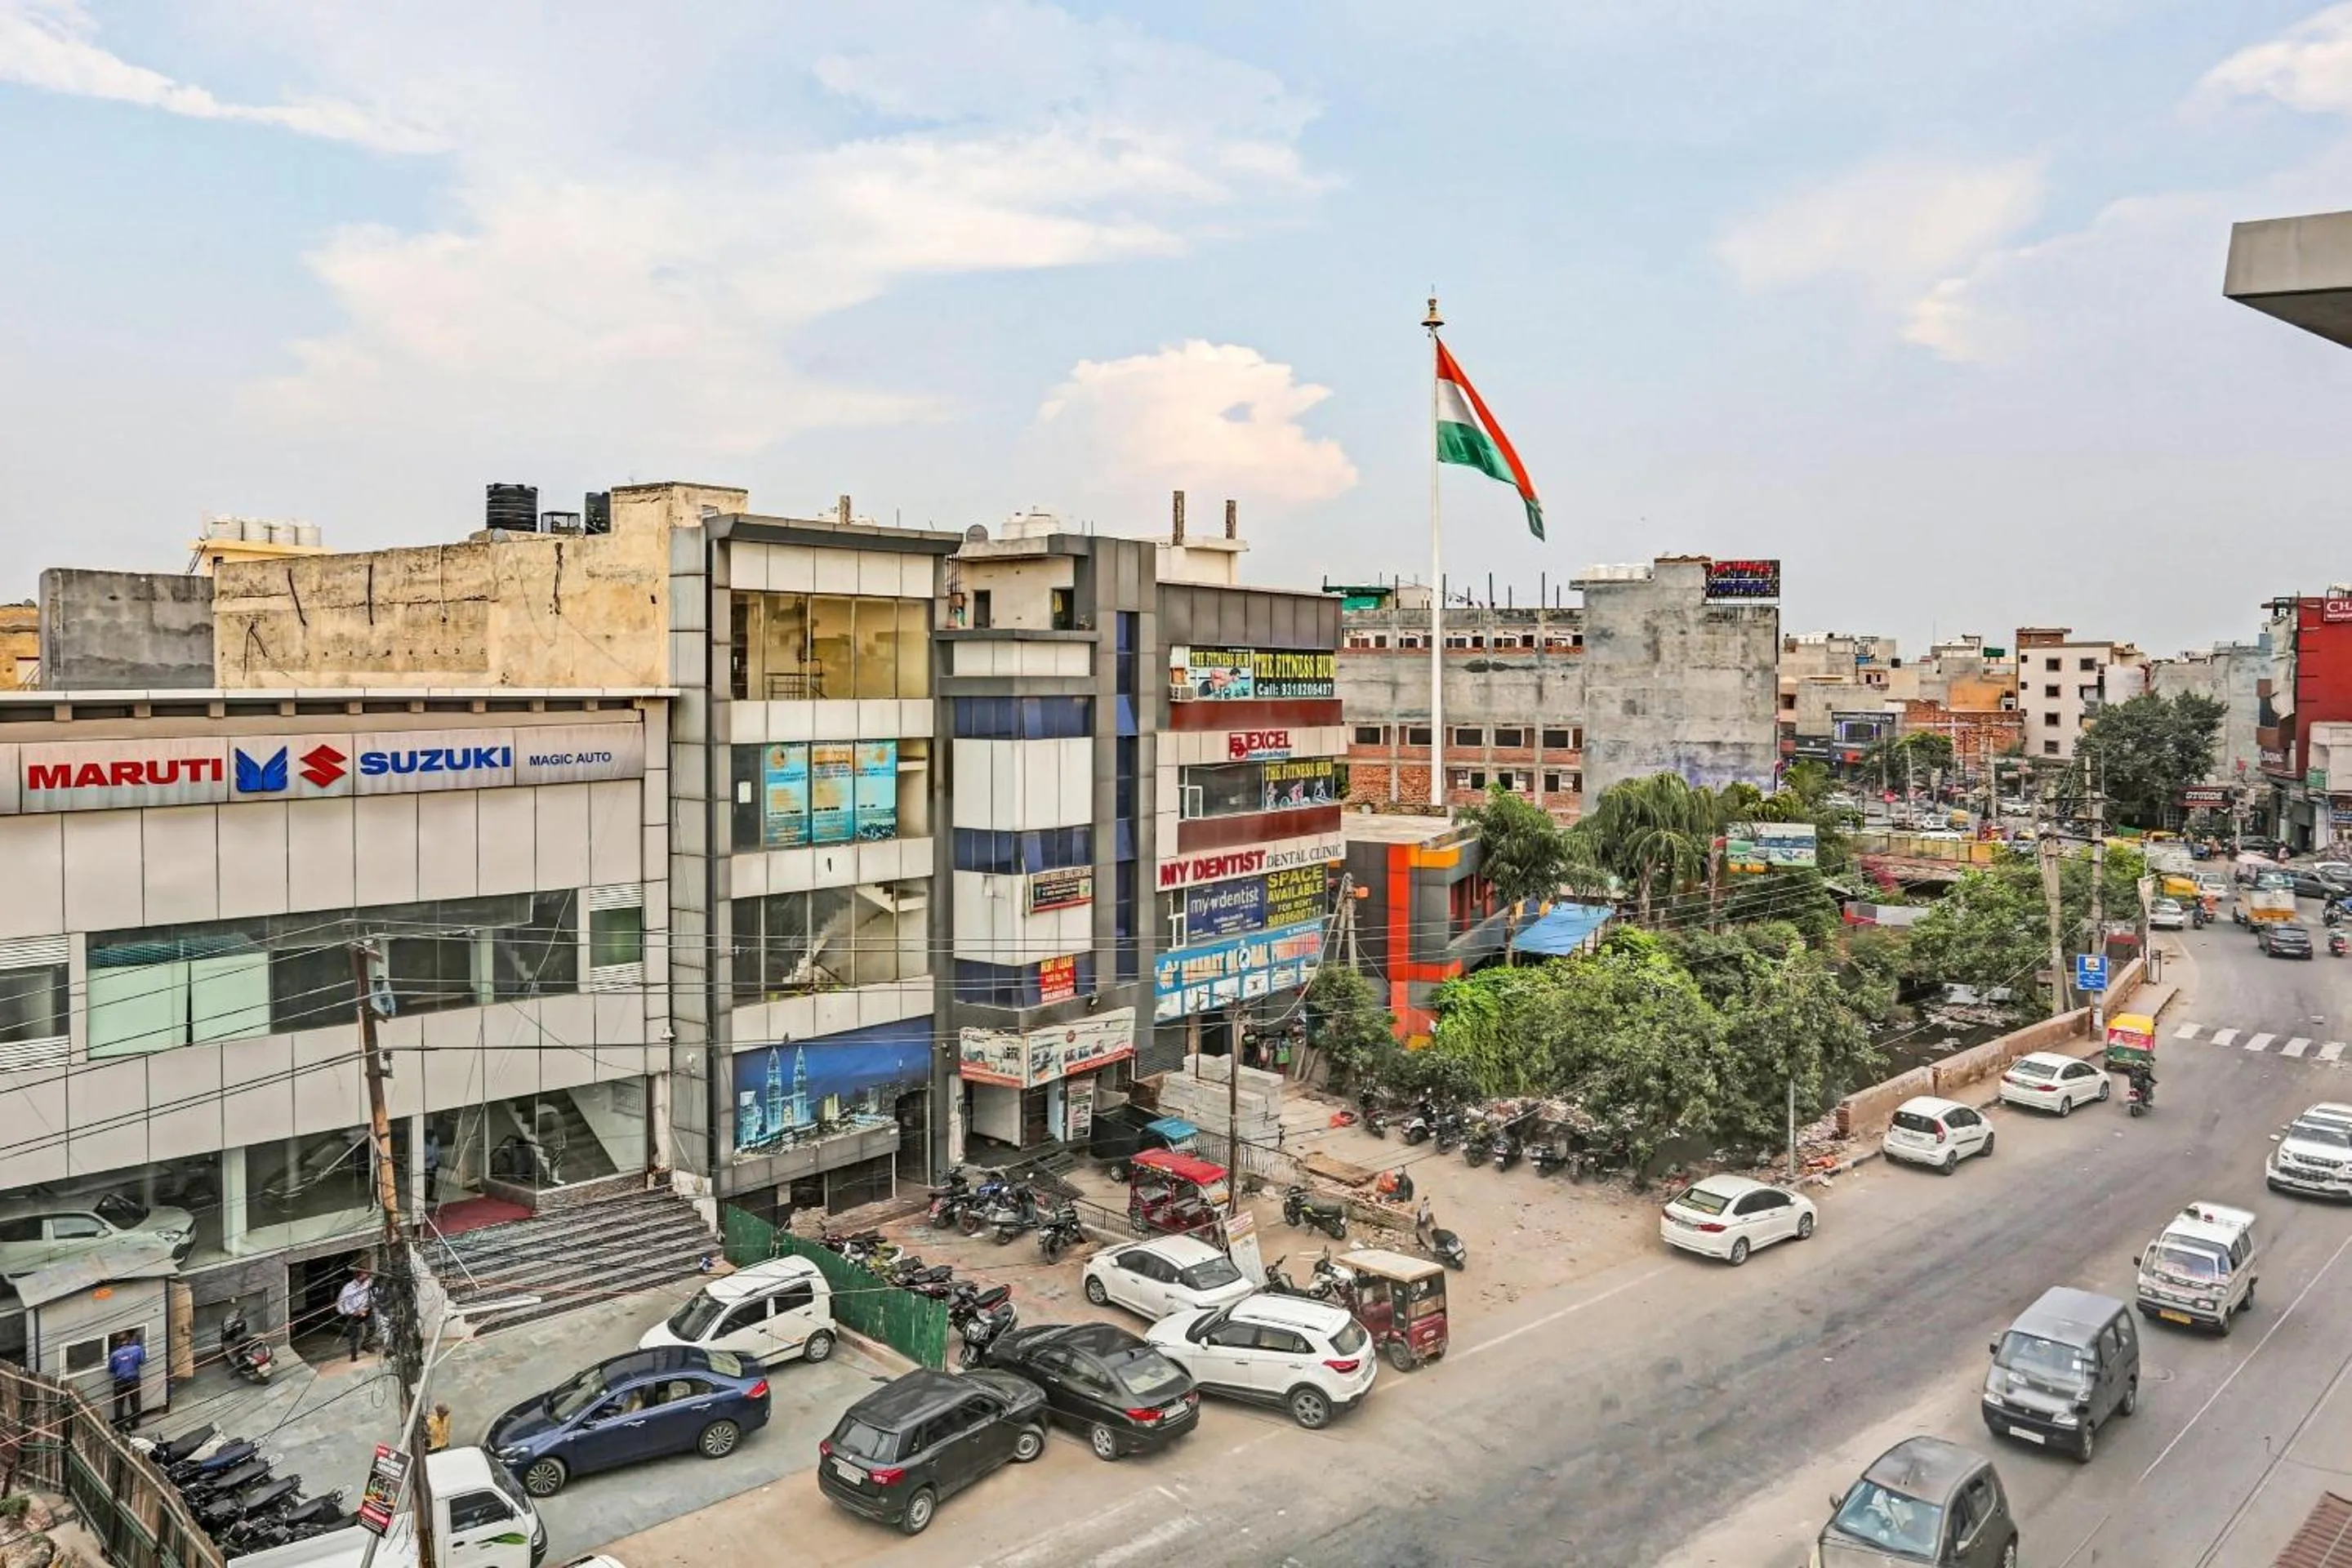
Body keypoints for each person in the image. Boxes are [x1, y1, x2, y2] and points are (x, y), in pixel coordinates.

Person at [107, 1332, 146, 1429]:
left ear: (118, 1343)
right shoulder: (137, 1349)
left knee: (119, 1404)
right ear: (129, 1340)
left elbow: (111, 1369)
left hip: (120, 1381)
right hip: (134, 1379)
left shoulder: (114, 1355)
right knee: (135, 1402)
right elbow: (142, 1361)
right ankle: (135, 1424)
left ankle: (120, 1426)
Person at [336, 1267, 374, 1362]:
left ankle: (365, 1344)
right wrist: (353, 1312)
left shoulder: (368, 1282)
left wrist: (369, 1305)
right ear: (359, 1276)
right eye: (365, 1274)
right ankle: (354, 1355)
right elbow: (343, 1303)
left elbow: (373, 1292)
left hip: (366, 1310)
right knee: (354, 1335)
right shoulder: (348, 1288)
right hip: (354, 1313)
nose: (367, 1276)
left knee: (373, 1327)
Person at [423, 1127, 443, 1206]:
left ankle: (430, 1195)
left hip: (433, 1163)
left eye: (432, 1137)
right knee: (424, 1181)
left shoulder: (435, 1139)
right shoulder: (422, 1143)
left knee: (432, 1181)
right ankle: (424, 1196)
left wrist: (438, 1160)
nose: (430, 1139)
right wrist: (426, 1159)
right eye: (429, 1137)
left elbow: (437, 1150)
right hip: (424, 1165)